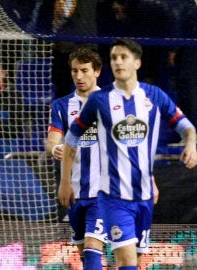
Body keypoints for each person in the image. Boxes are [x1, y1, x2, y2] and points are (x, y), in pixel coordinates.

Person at [63, 38, 197, 269]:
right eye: (114, 57)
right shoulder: (99, 100)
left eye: (123, 57)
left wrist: (191, 144)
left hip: (144, 196)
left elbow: (185, 126)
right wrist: (65, 174)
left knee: (136, 261)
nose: (118, 62)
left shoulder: (154, 96)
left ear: (137, 63)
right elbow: (72, 137)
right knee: (125, 259)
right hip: (113, 196)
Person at [45, 47, 107, 269]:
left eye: (84, 71)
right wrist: (55, 150)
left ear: (97, 71)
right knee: (85, 251)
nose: (79, 77)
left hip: (103, 191)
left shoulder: (111, 102)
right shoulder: (61, 105)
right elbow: (52, 140)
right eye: (74, 71)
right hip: (73, 191)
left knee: (92, 247)